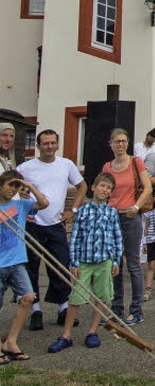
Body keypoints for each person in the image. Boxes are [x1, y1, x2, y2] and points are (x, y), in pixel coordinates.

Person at [18, 129, 87, 331]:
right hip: (33, 224)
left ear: (57, 144)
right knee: (31, 267)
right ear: (38, 146)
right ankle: (35, 310)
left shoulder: (66, 165)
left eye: (53, 143)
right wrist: (21, 207)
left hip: (56, 224)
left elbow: (82, 186)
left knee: (60, 265)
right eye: (45, 143)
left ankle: (63, 308)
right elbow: (10, 187)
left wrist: (72, 210)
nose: (49, 147)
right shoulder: (26, 167)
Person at [48, 171, 123, 352]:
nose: (105, 190)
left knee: (102, 297)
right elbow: (74, 238)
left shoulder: (112, 212)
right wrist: (74, 262)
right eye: (102, 186)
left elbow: (117, 237)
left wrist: (116, 261)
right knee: (77, 297)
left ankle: (92, 331)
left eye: (109, 188)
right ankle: (66, 335)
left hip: (104, 261)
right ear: (94, 187)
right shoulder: (82, 211)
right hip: (84, 262)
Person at [103, 128, 152, 326]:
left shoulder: (135, 162)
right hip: (112, 217)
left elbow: (147, 187)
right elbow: (104, 190)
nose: (121, 144)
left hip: (130, 217)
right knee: (115, 265)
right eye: (117, 141)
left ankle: (136, 310)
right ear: (111, 144)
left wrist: (136, 206)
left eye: (124, 141)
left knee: (133, 264)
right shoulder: (107, 166)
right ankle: (116, 309)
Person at [0, 169, 49, 363]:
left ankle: (11, 342)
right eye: (10, 185)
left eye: (17, 186)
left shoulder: (21, 205)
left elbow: (44, 204)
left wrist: (28, 186)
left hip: (17, 263)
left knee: (28, 298)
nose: (14, 189)